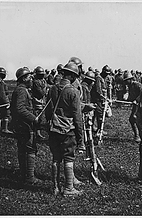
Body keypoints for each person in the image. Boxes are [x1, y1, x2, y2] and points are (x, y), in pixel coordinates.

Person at [45, 62, 84, 196]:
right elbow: (77, 117)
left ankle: (55, 187)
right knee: (69, 158)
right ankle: (68, 188)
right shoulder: (73, 91)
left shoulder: (52, 88)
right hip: (68, 129)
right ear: (73, 76)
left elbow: (48, 111)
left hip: (53, 128)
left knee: (56, 158)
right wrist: (80, 138)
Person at [10, 67, 43, 185]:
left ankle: (23, 174)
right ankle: (29, 177)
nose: (31, 79)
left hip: (21, 124)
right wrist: (34, 118)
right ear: (24, 79)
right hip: (24, 125)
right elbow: (20, 109)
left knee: (23, 148)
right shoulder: (22, 91)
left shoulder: (21, 89)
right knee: (30, 148)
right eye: (29, 77)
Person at [123, 71, 142, 143]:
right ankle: (137, 135)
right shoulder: (130, 86)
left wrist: (136, 100)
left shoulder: (138, 85)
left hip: (141, 105)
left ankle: (139, 136)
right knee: (133, 119)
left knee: (135, 119)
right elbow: (132, 96)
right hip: (136, 105)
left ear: (130, 79)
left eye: (126, 80)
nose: (125, 82)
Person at [0, 67, 13, 134]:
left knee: (1, 114)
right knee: (6, 114)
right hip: (2, 101)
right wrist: (7, 102)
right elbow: (2, 94)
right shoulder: (0, 82)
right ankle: (4, 129)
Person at [32, 66, 48, 140]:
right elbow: (41, 93)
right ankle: (36, 134)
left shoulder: (43, 81)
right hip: (36, 102)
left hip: (42, 103)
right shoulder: (36, 82)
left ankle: (38, 133)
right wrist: (45, 88)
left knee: (40, 119)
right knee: (37, 119)